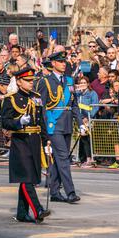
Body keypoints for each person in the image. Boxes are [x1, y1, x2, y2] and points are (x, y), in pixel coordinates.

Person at [0, 67, 51, 223]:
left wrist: (46, 141)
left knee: (29, 177)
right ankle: (38, 210)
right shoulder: (11, 99)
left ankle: (22, 213)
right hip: (21, 141)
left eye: (32, 81)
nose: (31, 83)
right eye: (27, 81)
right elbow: (5, 121)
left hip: (34, 140)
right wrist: (18, 122)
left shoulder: (36, 97)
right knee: (26, 177)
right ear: (19, 81)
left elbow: (41, 121)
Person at [37, 51, 85, 204]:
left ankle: (55, 191)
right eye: (60, 61)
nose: (64, 64)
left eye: (65, 61)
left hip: (67, 124)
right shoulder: (45, 81)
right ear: (53, 64)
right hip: (53, 124)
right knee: (63, 158)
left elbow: (74, 105)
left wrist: (80, 123)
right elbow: (42, 108)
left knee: (58, 159)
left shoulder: (70, 81)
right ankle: (70, 192)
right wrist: (44, 133)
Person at [75, 76, 98, 168]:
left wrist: (88, 117)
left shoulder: (92, 93)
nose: (82, 85)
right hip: (80, 119)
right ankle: (82, 158)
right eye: (81, 83)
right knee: (82, 139)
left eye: (84, 83)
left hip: (89, 119)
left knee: (88, 139)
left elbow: (95, 107)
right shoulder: (77, 94)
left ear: (88, 84)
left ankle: (90, 159)